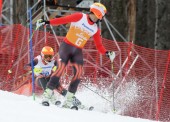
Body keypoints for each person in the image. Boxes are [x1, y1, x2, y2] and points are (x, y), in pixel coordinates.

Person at [36, 2, 115, 107]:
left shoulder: (96, 29)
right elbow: (63, 20)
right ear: (95, 13)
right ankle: (47, 96)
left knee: (78, 73)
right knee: (60, 69)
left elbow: (99, 46)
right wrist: (47, 22)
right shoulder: (80, 17)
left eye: (100, 17)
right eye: (99, 16)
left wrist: (107, 53)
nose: (99, 19)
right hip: (66, 47)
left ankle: (68, 101)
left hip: (77, 51)